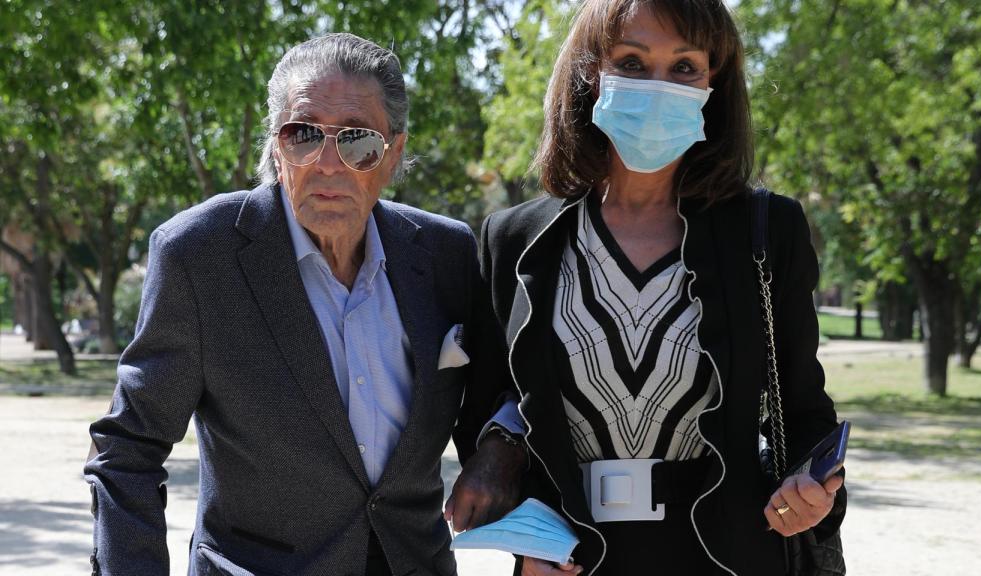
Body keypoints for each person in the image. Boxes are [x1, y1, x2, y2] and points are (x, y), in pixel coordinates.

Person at [84, 33, 514, 576]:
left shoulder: (445, 255)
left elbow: (497, 402)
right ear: (275, 144)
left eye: (358, 142)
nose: (328, 163)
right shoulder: (200, 255)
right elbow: (127, 451)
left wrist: (500, 451)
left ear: (394, 153)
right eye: (304, 135)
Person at [449, 1, 847, 574]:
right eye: (632, 62)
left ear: (716, 82)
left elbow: (805, 409)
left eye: (685, 67)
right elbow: (493, 411)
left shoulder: (767, 230)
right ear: (591, 73)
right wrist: (524, 539)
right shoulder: (514, 240)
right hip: (569, 561)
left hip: (730, 557)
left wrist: (815, 489)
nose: (659, 86)